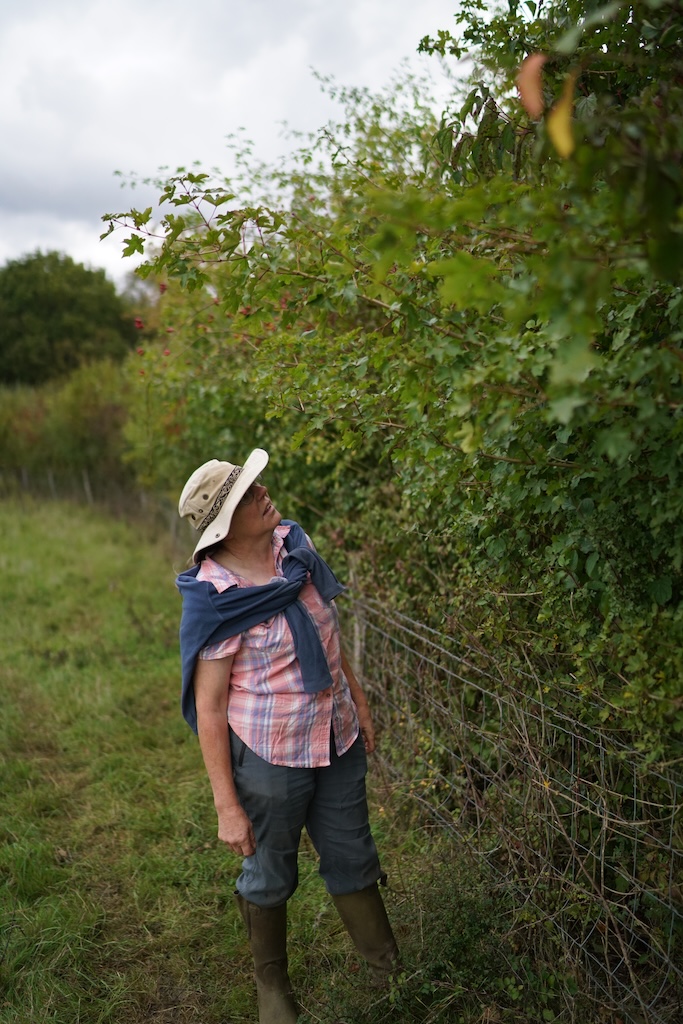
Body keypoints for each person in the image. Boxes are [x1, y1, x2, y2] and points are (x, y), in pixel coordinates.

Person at [175, 448, 399, 1024]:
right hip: (269, 756)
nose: (263, 492)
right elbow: (210, 708)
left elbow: (328, 637)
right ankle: (272, 988)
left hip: (337, 736)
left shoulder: (294, 545)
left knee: (353, 853)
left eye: (256, 485)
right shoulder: (216, 596)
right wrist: (227, 805)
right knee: (271, 871)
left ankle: (388, 975)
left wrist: (358, 701)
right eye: (248, 494)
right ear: (226, 524)